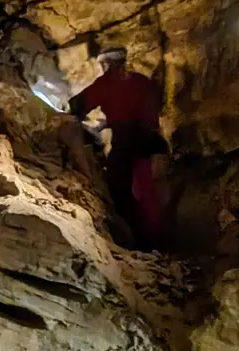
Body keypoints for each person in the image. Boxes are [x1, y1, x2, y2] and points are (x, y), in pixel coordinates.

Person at [69, 47, 167, 249]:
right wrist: (108, 123)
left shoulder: (107, 83)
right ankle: (159, 242)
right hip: (152, 143)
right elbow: (147, 110)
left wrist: (70, 114)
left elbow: (79, 104)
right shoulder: (142, 81)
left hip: (127, 145)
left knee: (118, 188)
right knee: (148, 193)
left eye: (103, 65)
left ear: (108, 64)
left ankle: (137, 242)